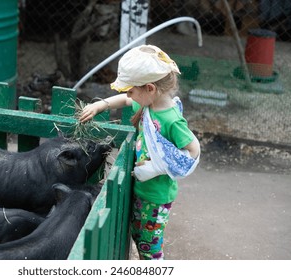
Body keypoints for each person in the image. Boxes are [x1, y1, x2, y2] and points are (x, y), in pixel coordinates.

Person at [79, 45, 200, 260]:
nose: (128, 96)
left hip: (156, 195)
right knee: (139, 235)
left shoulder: (171, 119)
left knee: (149, 248)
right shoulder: (147, 104)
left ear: (150, 88)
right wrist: (102, 105)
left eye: (131, 90)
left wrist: (156, 168)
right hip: (144, 189)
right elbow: (126, 100)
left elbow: (193, 151)